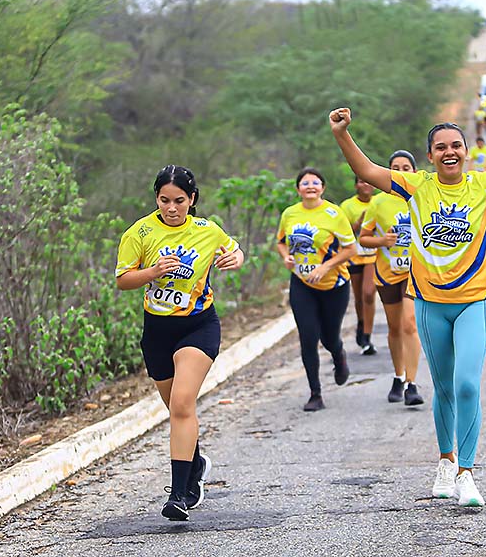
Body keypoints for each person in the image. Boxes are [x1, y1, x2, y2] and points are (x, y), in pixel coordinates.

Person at [329, 101, 486, 507]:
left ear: (465, 151)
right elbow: (368, 171)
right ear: (430, 155)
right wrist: (342, 134)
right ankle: (445, 462)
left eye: (456, 145)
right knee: (443, 387)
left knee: (466, 384)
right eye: (441, 146)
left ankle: (466, 472)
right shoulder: (417, 186)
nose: (449, 152)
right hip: (430, 304)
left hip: (475, 301)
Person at [116, 165, 245, 522]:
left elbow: (234, 250)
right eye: (164, 200)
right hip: (157, 331)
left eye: (179, 201)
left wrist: (235, 258)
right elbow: (124, 280)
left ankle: (179, 495)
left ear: (192, 200)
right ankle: (196, 462)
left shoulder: (207, 230)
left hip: (198, 326)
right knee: (176, 410)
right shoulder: (139, 232)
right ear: (156, 198)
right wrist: (152, 272)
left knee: (183, 402)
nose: (171, 208)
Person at [277, 167, 356, 411]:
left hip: (334, 285)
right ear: (298, 189)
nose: (310, 186)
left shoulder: (334, 213)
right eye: (305, 183)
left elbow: (351, 249)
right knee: (308, 337)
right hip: (302, 284)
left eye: (315, 182)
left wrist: (326, 267)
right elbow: (281, 242)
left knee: (329, 337)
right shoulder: (290, 214)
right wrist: (286, 257)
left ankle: (338, 355)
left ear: (322, 188)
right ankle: (315, 393)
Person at [359, 150, 424, 406]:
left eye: (406, 167)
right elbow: (363, 238)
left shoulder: (421, 197)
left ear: (414, 171)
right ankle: (398, 376)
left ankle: (412, 383)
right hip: (387, 274)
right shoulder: (378, 202)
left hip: (414, 274)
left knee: (410, 324)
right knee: (395, 328)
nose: (401, 171)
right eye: (395, 167)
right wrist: (381, 241)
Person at [340, 178, 378, 355]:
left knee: (368, 293)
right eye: (362, 182)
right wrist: (360, 223)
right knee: (359, 297)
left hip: (374, 254)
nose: (366, 185)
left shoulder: (379, 202)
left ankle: (367, 336)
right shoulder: (347, 206)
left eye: (369, 182)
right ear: (356, 185)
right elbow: (343, 232)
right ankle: (361, 323)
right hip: (355, 256)